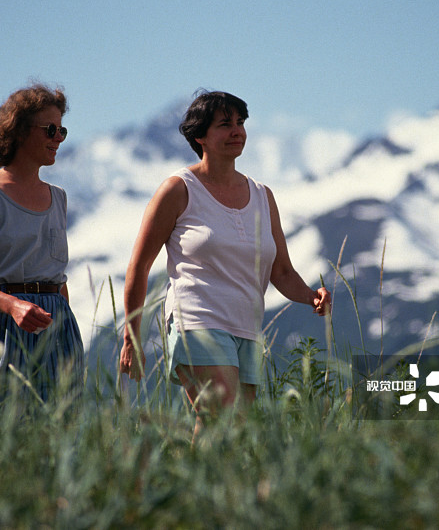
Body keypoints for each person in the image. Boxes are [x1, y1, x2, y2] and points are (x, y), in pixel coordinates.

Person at [119, 90, 331, 439]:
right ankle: (196, 494)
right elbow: (139, 267)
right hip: (197, 319)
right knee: (219, 416)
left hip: (246, 329)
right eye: (224, 125)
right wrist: (132, 338)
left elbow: (281, 272)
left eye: (240, 123)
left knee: (235, 434)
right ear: (199, 136)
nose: (237, 131)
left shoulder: (263, 195)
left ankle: (204, 490)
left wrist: (311, 297)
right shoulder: (178, 190)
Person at [0, 83, 83, 404]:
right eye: (50, 129)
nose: (58, 138)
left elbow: (57, 278)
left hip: (56, 325)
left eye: (62, 130)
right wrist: (13, 306)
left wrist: (64, 322)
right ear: (20, 131)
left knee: (58, 427)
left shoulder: (58, 198)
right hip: (2, 325)